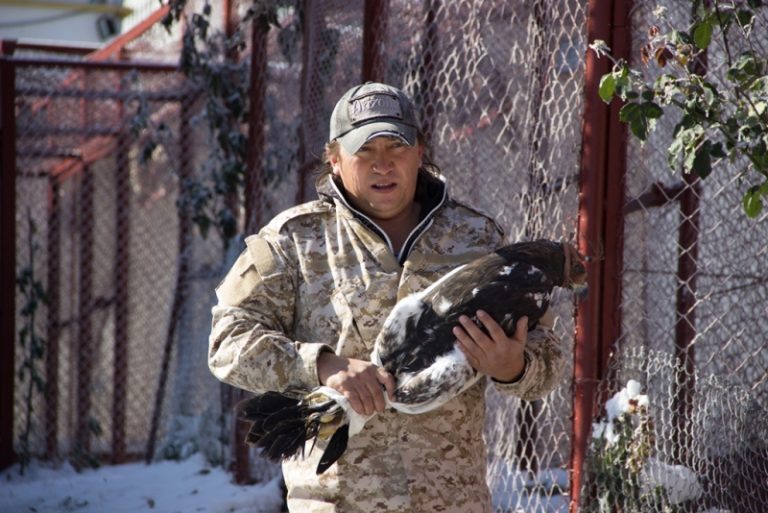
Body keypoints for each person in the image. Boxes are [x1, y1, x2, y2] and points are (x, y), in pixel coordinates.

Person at [208, 82, 566, 513]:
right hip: (336, 503)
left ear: (419, 152)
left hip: (452, 502)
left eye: (395, 148)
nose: (383, 165)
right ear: (334, 159)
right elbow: (227, 342)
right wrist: (324, 365)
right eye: (365, 151)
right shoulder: (294, 242)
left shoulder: (478, 240)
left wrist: (513, 367)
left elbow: (545, 356)